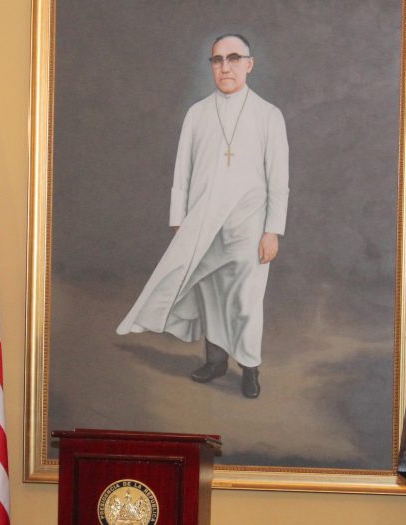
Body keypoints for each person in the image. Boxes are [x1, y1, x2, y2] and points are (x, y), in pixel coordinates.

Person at [117, 34, 289, 399]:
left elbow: (278, 179)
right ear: (211, 66)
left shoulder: (269, 115)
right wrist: (179, 220)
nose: (225, 67)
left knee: (245, 301)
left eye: (233, 58)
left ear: (249, 64)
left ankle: (250, 368)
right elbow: (183, 171)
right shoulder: (197, 113)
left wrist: (272, 230)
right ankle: (216, 361)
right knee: (210, 296)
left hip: (249, 225)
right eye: (217, 60)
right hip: (204, 222)